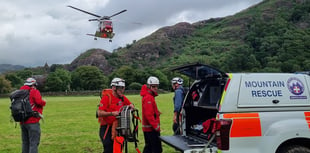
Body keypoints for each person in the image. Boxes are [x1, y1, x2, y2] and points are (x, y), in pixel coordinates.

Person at [97, 77, 134, 153]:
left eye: (123, 88)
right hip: (106, 128)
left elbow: (130, 104)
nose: (122, 90)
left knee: (118, 147)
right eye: (120, 88)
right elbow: (99, 113)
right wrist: (111, 113)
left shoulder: (122, 98)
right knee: (108, 148)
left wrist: (131, 106)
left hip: (118, 127)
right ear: (114, 88)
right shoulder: (107, 98)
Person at [20, 77, 46, 153]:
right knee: (33, 143)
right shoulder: (34, 91)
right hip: (32, 120)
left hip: (22, 121)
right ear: (33, 84)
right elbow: (39, 102)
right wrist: (44, 102)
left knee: (25, 143)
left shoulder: (19, 92)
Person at [140, 76, 162, 153]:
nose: (155, 88)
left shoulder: (149, 96)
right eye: (153, 86)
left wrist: (157, 112)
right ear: (149, 86)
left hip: (149, 128)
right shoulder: (148, 97)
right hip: (151, 128)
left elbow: (150, 110)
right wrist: (156, 126)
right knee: (156, 149)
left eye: (157, 86)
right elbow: (149, 115)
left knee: (149, 147)